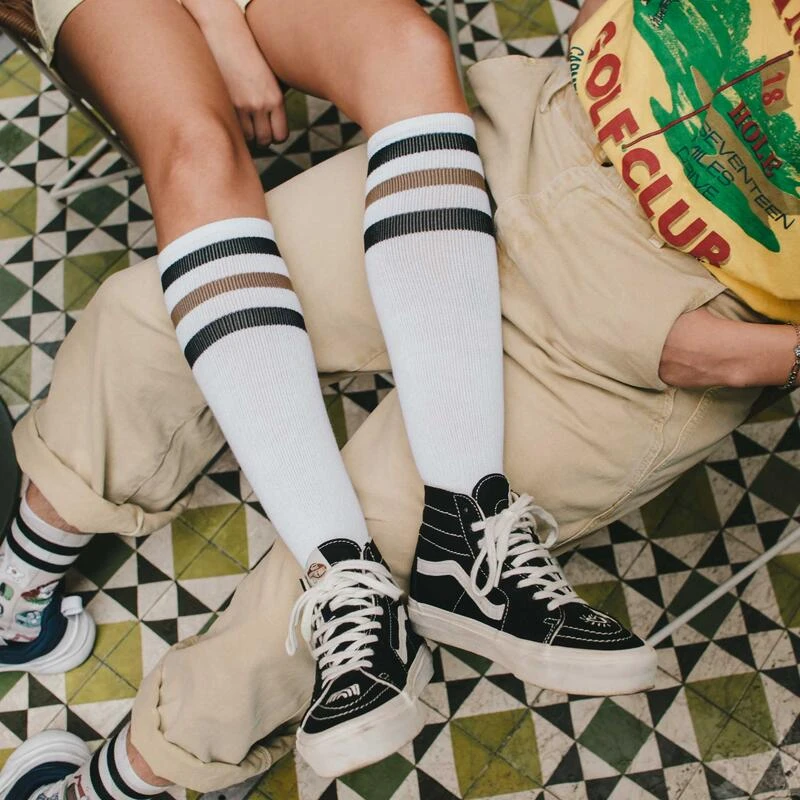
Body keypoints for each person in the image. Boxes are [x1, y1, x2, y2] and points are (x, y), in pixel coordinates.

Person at [1, 0, 798, 795]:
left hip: (679, 316)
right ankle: (22, 577)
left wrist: (734, 351)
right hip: (535, 146)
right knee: (144, 323)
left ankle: (121, 783)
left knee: (321, 595)